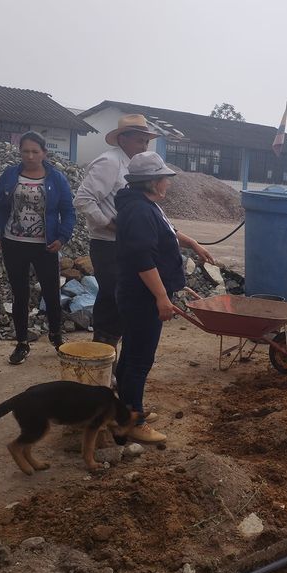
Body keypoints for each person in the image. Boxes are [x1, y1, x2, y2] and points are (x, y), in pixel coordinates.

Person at [114, 151, 215, 443]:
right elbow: (142, 259)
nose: (168, 183)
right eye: (164, 179)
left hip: (138, 294)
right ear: (151, 182)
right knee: (139, 360)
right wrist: (161, 297)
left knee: (131, 353)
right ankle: (134, 421)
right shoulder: (139, 211)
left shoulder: (145, 205)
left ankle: (125, 409)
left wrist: (193, 243)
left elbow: (168, 230)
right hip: (141, 297)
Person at [73, 114, 161, 360]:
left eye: (146, 142)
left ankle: (107, 357)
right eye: (139, 141)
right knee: (113, 299)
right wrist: (110, 224)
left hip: (125, 244)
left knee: (121, 299)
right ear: (122, 139)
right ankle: (102, 356)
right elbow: (83, 199)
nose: (143, 146)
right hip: (107, 244)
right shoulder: (110, 162)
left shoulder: (134, 167)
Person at [0, 131, 75, 364]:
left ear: (44, 153)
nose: (30, 156)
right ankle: (22, 343)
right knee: (20, 294)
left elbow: (68, 211)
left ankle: (56, 336)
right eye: (26, 151)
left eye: (35, 151)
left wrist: (63, 237)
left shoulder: (56, 179)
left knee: (51, 293)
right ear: (20, 152)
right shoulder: (10, 175)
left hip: (45, 246)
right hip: (13, 243)